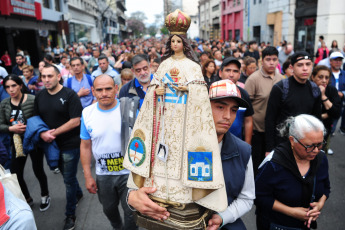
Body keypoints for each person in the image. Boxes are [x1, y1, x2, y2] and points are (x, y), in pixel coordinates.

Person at [124, 9, 229, 228]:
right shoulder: (162, 65)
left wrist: (187, 89)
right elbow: (153, 89)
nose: (174, 44)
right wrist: (157, 91)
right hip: (164, 118)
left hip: (185, 121)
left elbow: (201, 94)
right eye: (171, 41)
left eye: (177, 41)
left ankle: (185, 192)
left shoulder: (192, 67)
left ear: (184, 43)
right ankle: (160, 190)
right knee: (162, 155)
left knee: (182, 155)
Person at [127, 79, 255, 229]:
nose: (228, 116)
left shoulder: (242, 151)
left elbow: (246, 198)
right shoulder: (171, 141)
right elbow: (137, 184)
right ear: (203, 106)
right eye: (220, 107)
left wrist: (222, 217)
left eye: (234, 110)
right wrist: (131, 197)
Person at [80, 74, 137, 230]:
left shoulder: (130, 109)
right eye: (99, 90)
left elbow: (143, 140)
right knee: (108, 209)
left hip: (129, 173)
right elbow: (85, 145)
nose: (104, 93)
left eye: (108, 89)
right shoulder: (87, 113)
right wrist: (87, 176)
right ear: (93, 91)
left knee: (131, 212)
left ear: (116, 89)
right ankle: (117, 226)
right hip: (104, 175)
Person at [255, 114, 330, 230]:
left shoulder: (321, 159)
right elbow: (258, 196)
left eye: (320, 144)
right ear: (292, 140)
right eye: (309, 146)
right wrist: (291, 212)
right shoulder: (273, 164)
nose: (316, 150)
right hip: (276, 224)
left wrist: (320, 204)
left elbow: (326, 187)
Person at [34, 64, 83, 230]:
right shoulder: (39, 96)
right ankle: (78, 193)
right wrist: (42, 134)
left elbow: (76, 120)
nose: (46, 80)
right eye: (43, 77)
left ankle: (70, 215)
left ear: (58, 77)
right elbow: (36, 118)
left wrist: (53, 133)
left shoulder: (70, 95)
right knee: (65, 173)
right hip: (51, 146)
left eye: (50, 76)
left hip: (70, 144)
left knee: (68, 180)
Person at [0, 75, 50, 211]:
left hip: (33, 139)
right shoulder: (4, 103)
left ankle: (45, 195)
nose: (11, 89)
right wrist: (11, 128)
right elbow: (0, 124)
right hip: (16, 140)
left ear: (20, 85)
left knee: (38, 168)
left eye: (14, 85)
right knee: (16, 173)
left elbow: (42, 118)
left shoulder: (33, 99)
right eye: (7, 87)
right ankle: (27, 198)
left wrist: (31, 127)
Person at [265, 51, 322, 154]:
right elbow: (270, 119)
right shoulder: (280, 88)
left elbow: (317, 120)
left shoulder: (315, 89)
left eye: (308, 64)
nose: (305, 68)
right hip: (283, 145)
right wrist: (269, 149)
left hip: (306, 146)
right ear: (292, 67)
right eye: (300, 65)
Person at [244, 46, 283, 176]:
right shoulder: (254, 79)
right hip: (257, 131)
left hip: (276, 132)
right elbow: (246, 106)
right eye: (268, 59)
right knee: (256, 165)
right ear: (262, 60)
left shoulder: (282, 79)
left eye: (274, 59)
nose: (271, 63)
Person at [218, 57, 254, 145]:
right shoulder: (211, 92)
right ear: (220, 73)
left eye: (235, 71)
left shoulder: (244, 94)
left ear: (239, 74)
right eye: (227, 70)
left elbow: (248, 121)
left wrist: (247, 145)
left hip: (236, 144)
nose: (231, 74)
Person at [311, 65, 341, 155]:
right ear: (313, 77)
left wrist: (323, 96)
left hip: (325, 131)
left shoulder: (332, 90)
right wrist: (327, 114)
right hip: (308, 132)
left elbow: (336, 113)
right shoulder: (307, 89)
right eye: (320, 77)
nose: (324, 80)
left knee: (321, 158)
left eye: (327, 77)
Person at [328, 51, 345, 135]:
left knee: (333, 126)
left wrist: (343, 93)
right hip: (327, 104)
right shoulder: (326, 73)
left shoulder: (344, 74)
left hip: (339, 105)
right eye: (336, 60)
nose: (338, 62)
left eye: (340, 60)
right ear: (330, 61)